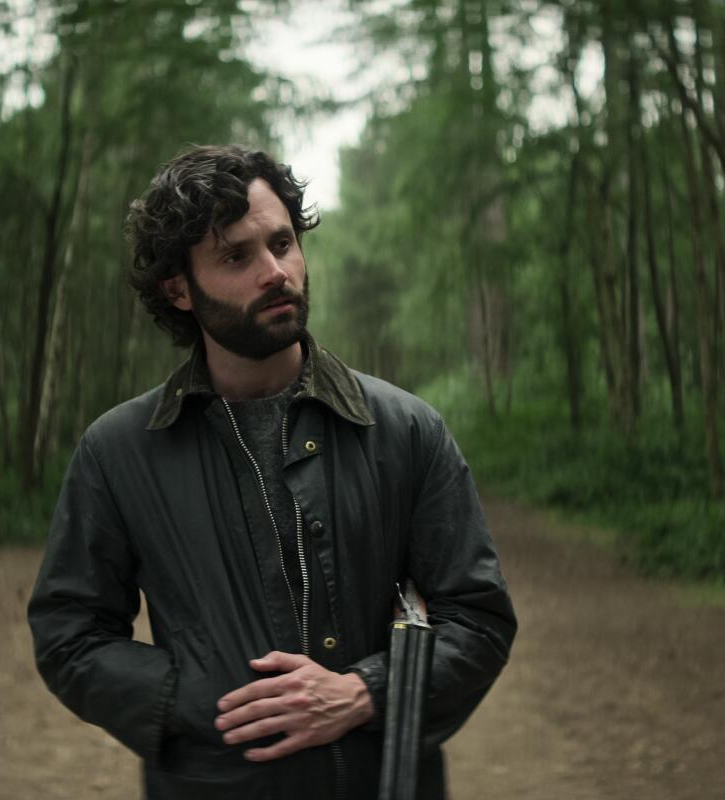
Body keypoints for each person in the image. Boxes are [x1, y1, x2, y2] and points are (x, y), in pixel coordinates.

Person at [27, 144, 516, 799]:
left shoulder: (404, 430)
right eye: (236, 256)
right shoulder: (119, 453)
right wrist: (200, 700)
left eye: (282, 244)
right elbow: (70, 633)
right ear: (179, 289)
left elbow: (478, 620)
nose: (274, 271)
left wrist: (362, 692)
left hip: (380, 783)